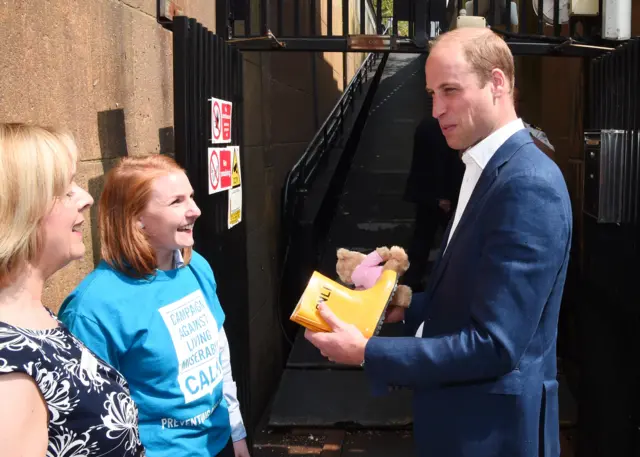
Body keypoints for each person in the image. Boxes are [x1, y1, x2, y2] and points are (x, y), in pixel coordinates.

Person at [305, 27, 572, 457]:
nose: (436, 109)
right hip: (461, 424)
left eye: (450, 90)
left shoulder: (528, 184)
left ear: (498, 83)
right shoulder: (481, 166)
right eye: (432, 93)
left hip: (493, 436)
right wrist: (405, 305)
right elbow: (469, 295)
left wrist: (368, 352)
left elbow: (495, 344)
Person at [58, 155, 250, 457]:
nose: (195, 210)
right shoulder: (93, 308)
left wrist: (236, 431)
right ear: (137, 219)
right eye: (176, 201)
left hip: (219, 442)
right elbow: (87, 421)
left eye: (191, 197)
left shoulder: (195, 266)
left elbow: (218, 354)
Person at [0, 123, 145, 457]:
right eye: (66, 191)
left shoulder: (33, 317)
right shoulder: (8, 376)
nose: (87, 198)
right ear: (18, 211)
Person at [402, 114, 464, 292]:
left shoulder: (425, 124)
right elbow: (441, 162)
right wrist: (443, 196)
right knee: (452, 240)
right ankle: (451, 283)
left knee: (421, 239)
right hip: (443, 196)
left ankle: (411, 282)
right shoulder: (446, 127)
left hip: (424, 192)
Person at [514, 86, 556, 160]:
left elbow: (550, 156)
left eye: (514, 101)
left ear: (520, 104)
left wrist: (524, 134)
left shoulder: (534, 132)